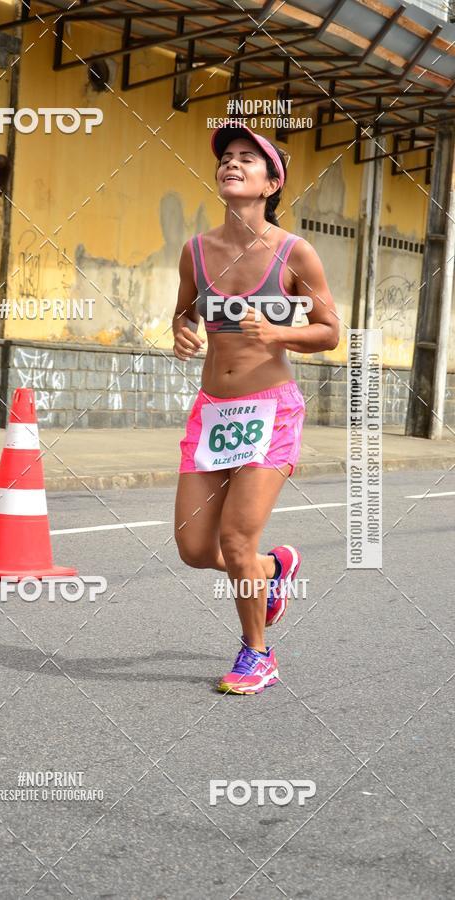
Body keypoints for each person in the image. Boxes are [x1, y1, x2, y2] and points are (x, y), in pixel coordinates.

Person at [173, 123, 339, 695]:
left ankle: (256, 655)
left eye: (248, 159)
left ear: (272, 182)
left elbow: (329, 331)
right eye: (226, 158)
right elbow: (184, 314)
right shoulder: (196, 251)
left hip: (271, 410)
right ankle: (275, 570)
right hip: (212, 412)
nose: (232, 164)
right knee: (197, 549)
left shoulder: (296, 253)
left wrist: (275, 331)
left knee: (236, 541)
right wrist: (181, 333)